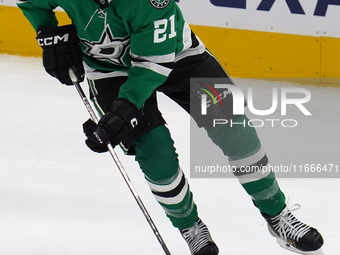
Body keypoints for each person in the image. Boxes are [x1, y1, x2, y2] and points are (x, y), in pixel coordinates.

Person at [17, 0, 324, 254]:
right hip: (109, 73)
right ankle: (191, 227)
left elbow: (152, 67)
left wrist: (121, 113)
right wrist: (47, 32)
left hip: (180, 58)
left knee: (235, 130)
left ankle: (277, 215)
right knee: (155, 154)